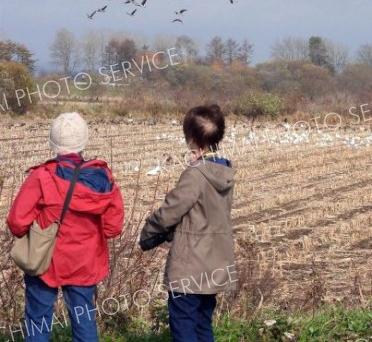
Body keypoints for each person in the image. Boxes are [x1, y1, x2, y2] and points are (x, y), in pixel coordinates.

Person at [7, 112, 124, 342]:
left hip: (45, 261)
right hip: (85, 262)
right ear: (84, 141)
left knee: (38, 322)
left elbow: (16, 222)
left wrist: (34, 231)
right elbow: (113, 228)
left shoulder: (41, 176)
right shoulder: (103, 178)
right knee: (84, 320)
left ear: (52, 142)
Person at [139, 104, 237, 342]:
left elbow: (171, 211)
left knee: (183, 328)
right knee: (203, 325)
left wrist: (146, 234)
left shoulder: (196, 174)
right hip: (215, 263)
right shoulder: (224, 171)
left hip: (190, 266)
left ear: (191, 138)